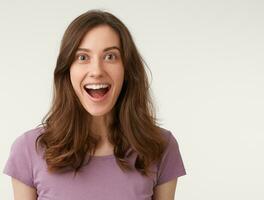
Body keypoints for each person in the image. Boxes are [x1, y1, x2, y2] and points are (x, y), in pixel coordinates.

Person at [3, 9, 187, 200]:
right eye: (83, 57)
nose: (96, 71)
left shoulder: (161, 147)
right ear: (67, 70)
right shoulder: (28, 150)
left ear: (127, 69)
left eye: (110, 57)